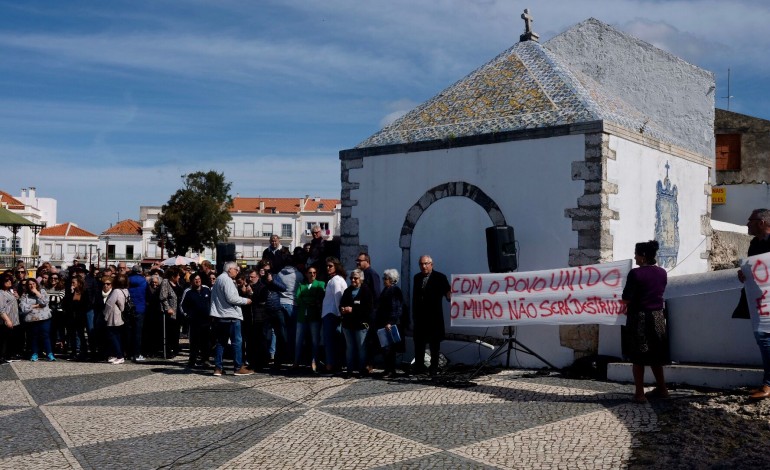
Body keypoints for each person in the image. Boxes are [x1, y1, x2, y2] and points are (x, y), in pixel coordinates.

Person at [621, 240, 669, 404]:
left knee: (638, 356)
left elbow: (626, 298)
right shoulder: (662, 273)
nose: (634, 257)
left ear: (643, 256)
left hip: (639, 317)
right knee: (656, 355)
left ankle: (640, 393)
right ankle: (662, 389)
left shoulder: (635, 274)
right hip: (657, 317)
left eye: (636, 254)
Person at [735, 209, 770, 399]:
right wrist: (744, 274)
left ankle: (768, 384)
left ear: (762, 222)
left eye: (751, 221)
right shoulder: (754, 243)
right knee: (763, 339)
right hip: (760, 301)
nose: (747, 224)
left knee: (764, 339)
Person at [209, 261, 253, 376]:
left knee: (221, 342)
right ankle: (238, 367)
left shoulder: (219, 279)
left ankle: (218, 368)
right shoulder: (227, 280)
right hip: (231, 316)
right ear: (230, 269)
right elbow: (231, 298)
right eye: (236, 270)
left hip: (220, 316)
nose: (237, 272)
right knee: (236, 342)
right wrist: (246, 300)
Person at [412, 255, 450, 375]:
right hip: (420, 318)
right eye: (421, 264)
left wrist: (451, 294)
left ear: (431, 264)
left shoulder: (440, 277)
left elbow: (448, 293)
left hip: (434, 318)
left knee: (434, 345)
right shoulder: (417, 278)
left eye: (426, 264)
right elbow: (415, 298)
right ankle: (419, 367)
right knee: (419, 344)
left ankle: (433, 368)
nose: (423, 266)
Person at [339, 268, 373, 377]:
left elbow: (368, 309)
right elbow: (341, 304)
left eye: (356, 278)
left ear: (361, 279)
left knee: (361, 348)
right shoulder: (347, 291)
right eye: (351, 278)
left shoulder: (366, 291)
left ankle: (361, 370)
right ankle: (349, 370)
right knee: (349, 348)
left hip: (360, 325)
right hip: (348, 324)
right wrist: (343, 309)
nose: (353, 280)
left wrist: (352, 309)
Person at [372, 269, 404, 377]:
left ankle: (391, 370)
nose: (383, 280)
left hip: (390, 324)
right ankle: (387, 369)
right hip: (383, 323)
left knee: (390, 349)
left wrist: (390, 322)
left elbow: (396, 308)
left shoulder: (394, 291)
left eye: (385, 278)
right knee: (385, 347)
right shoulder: (386, 289)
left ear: (391, 280)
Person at [294, 266, 325, 371]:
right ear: (306, 274)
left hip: (314, 316)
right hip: (302, 317)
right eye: (310, 272)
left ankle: (315, 361)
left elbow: (319, 297)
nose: (312, 274)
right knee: (298, 340)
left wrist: (306, 299)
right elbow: (298, 298)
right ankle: (296, 361)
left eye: (314, 272)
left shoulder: (320, 284)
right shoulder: (301, 285)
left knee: (315, 341)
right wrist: (310, 299)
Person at [180, 272, 212, 368]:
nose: (197, 281)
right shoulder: (188, 291)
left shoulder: (206, 289)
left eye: (199, 279)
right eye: (195, 280)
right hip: (194, 321)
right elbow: (182, 305)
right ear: (191, 281)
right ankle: (192, 360)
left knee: (206, 342)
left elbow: (211, 301)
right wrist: (187, 315)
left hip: (206, 320)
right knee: (194, 342)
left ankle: (205, 360)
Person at [321, 257, 347, 373]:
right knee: (333, 341)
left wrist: (339, 312)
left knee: (330, 341)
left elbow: (338, 297)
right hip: (331, 313)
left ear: (336, 266)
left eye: (330, 266)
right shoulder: (335, 279)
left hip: (332, 313)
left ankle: (330, 365)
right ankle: (333, 364)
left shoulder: (336, 280)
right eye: (327, 266)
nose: (328, 268)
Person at [20, 278, 55, 361]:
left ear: (36, 284)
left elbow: (45, 302)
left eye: (33, 283)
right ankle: (34, 353)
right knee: (34, 336)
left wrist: (36, 292)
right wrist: (36, 306)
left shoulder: (42, 291)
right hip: (32, 319)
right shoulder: (25, 295)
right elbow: (23, 307)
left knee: (45, 335)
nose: (32, 285)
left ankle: (49, 353)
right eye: (30, 284)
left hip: (44, 318)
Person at [103, 274, 129, 364]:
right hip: (121, 316)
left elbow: (109, 304)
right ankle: (117, 354)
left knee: (113, 336)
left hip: (114, 316)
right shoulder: (125, 290)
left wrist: (105, 316)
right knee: (118, 336)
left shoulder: (116, 291)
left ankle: (119, 356)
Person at [159, 267, 183, 357]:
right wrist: (168, 308)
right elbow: (162, 297)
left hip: (177, 312)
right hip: (170, 312)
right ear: (173, 276)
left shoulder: (177, 283)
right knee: (169, 332)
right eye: (178, 275)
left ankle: (175, 348)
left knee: (176, 331)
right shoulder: (166, 282)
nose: (179, 277)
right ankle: (168, 350)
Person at [127, 265, 148, 362]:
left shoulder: (128, 280)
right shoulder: (144, 281)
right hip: (140, 308)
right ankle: (137, 353)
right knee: (138, 332)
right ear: (140, 271)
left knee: (129, 331)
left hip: (129, 308)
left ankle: (129, 353)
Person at [0, 273, 21, 363]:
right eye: (6, 280)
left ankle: (8, 355)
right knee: (4, 340)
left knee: (10, 339)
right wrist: (7, 320)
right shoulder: (1, 293)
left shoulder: (9, 291)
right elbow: (1, 309)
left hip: (13, 319)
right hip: (5, 320)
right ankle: (2, 357)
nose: (9, 282)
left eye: (10, 280)